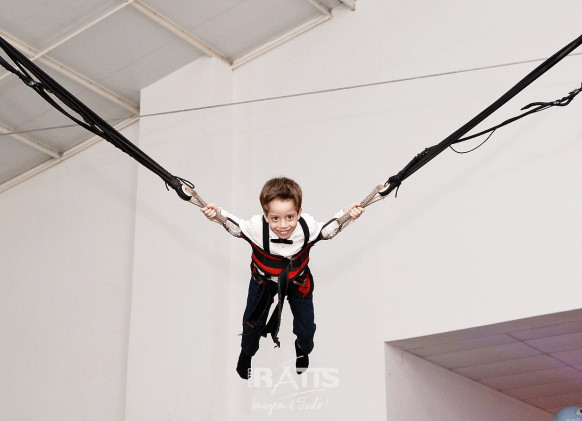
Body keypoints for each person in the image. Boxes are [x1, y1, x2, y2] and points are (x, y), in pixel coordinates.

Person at [201, 176, 364, 379]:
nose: (283, 225)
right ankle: (246, 353)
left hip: (298, 281)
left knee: (307, 329)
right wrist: (216, 214)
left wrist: (348, 215)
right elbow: (233, 225)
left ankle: (302, 348)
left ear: (299, 213)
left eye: (290, 217)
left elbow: (330, 229)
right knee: (251, 325)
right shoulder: (256, 228)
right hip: (263, 282)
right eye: (275, 218)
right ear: (265, 215)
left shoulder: (307, 226)